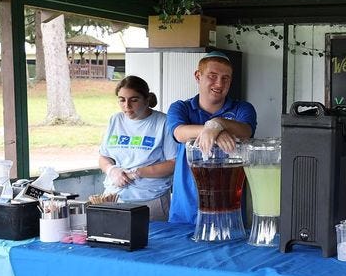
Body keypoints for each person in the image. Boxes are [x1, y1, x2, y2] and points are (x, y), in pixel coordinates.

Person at [167, 51, 257, 224]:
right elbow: (179, 133)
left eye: (225, 78)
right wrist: (214, 130)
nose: (219, 83)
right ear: (198, 76)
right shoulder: (181, 108)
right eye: (212, 76)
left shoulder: (242, 108)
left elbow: (246, 131)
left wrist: (217, 123)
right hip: (187, 207)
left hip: (228, 206)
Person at [98, 75, 178, 221]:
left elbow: (174, 163)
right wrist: (112, 170)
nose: (127, 106)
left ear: (146, 100)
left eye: (134, 100)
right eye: (122, 100)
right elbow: (103, 156)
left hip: (150, 200)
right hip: (115, 196)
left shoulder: (163, 122)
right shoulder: (115, 120)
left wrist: (138, 172)